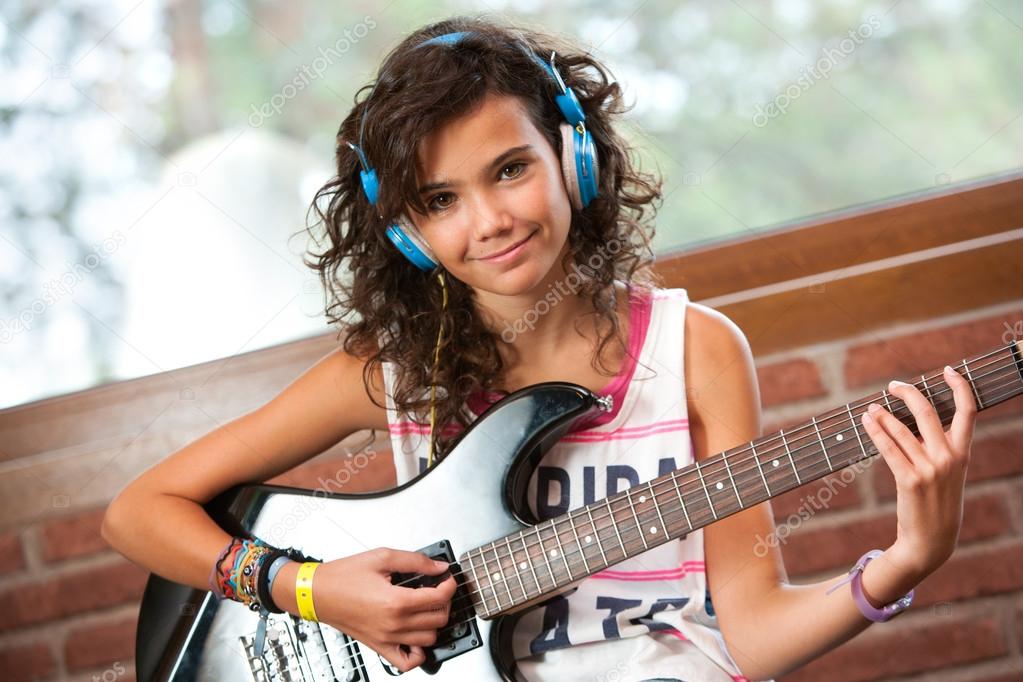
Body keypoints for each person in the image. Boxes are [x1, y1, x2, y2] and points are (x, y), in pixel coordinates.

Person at [102, 15, 978, 682]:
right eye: (439, 199)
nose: (487, 221)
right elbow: (140, 511)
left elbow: (750, 632)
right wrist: (306, 589)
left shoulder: (697, 351)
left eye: (509, 169)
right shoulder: (395, 375)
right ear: (406, 232)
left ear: (573, 157)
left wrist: (904, 560)